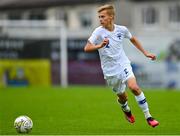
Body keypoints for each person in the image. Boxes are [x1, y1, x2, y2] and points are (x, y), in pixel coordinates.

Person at [84, 4, 159, 127]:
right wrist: (99, 46)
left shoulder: (122, 29)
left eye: (103, 16)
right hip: (110, 71)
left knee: (134, 87)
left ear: (111, 17)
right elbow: (86, 48)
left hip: (123, 63)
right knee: (122, 97)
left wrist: (146, 53)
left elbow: (133, 39)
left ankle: (148, 116)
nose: (100, 19)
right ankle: (126, 110)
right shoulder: (98, 32)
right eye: (99, 17)